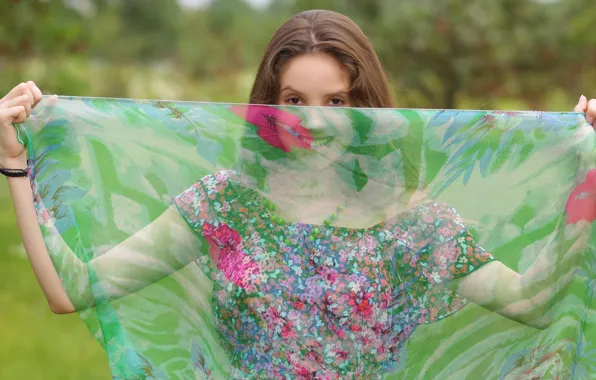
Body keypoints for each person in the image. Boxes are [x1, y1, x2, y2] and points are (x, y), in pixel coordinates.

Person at [0, 9, 595, 379]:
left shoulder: (410, 221)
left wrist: (587, 178)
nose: (315, 122)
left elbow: (531, 303)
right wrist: (14, 165)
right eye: (294, 100)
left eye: (336, 102)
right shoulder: (227, 206)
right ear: (268, 106)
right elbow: (73, 290)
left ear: (365, 108)